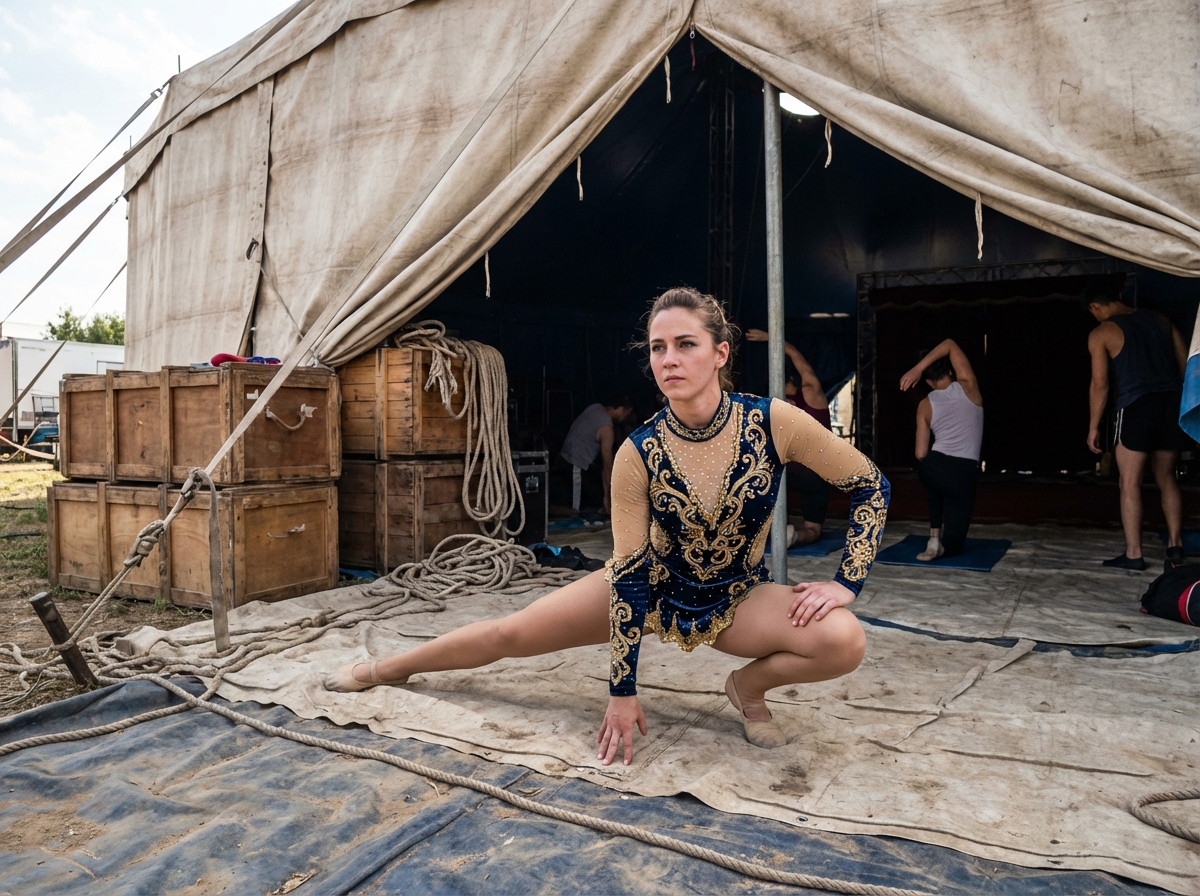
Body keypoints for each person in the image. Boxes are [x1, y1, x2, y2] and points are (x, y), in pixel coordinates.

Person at [324, 287, 890, 764]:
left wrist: (846, 582)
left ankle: (747, 688)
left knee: (842, 639)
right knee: (509, 635)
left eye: (685, 345)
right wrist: (623, 692)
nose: (669, 359)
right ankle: (385, 668)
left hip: (733, 597)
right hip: (645, 589)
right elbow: (628, 573)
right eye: (658, 348)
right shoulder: (637, 453)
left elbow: (871, 484)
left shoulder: (772, 421)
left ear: (720, 353)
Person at [1083, 285, 1187, 569]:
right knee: (1167, 476)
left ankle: (1134, 554)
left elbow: (1100, 384)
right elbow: (1185, 365)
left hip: (1136, 407)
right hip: (1170, 404)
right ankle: (1175, 545)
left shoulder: (1102, 332)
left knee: (1129, 482)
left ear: (1096, 307)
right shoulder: (1162, 321)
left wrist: (1094, 426)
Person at [745, 329, 831, 546]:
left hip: (791, 473)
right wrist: (772, 338)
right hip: (811, 471)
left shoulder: (770, 406)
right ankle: (792, 536)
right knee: (813, 529)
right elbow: (799, 360)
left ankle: (778, 531)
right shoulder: (811, 393)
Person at [900, 339, 984, 561]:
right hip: (963, 473)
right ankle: (942, 543)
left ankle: (933, 537)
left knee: (934, 481)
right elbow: (949, 344)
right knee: (955, 546)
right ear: (950, 371)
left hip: (934, 467)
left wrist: (917, 369)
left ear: (927, 381)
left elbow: (920, 454)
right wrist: (917, 369)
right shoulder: (968, 386)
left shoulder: (925, 405)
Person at [559, 396, 634, 515]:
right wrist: (609, 500)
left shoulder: (595, 407)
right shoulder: (607, 429)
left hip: (563, 458)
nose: (624, 418)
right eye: (626, 413)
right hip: (575, 466)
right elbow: (608, 467)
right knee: (574, 511)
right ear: (622, 409)